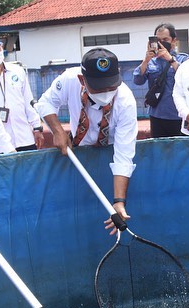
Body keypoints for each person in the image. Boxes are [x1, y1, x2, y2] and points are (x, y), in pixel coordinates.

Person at [35, 48, 137, 226]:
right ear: (82, 80)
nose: (106, 92)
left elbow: (124, 155)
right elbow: (45, 103)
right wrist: (58, 131)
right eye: (99, 88)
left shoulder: (126, 102)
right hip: (79, 149)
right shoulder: (69, 79)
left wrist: (119, 201)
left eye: (112, 86)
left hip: (110, 148)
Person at [0, 32, 44, 151]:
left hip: (24, 138)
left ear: (2, 48)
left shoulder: (18, 71)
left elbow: (28, 101)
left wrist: (37, 127)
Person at [133, 23, 188, 138]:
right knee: (160, 151)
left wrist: (171, 60)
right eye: (158, 40)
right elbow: (138, 80)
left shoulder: (183, 59)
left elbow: (188, 79)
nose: (161, 42)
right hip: (157, 115)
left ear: (173, 41)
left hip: (179, 115)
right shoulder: (151, 61)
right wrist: (146, 60)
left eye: (165, 39)